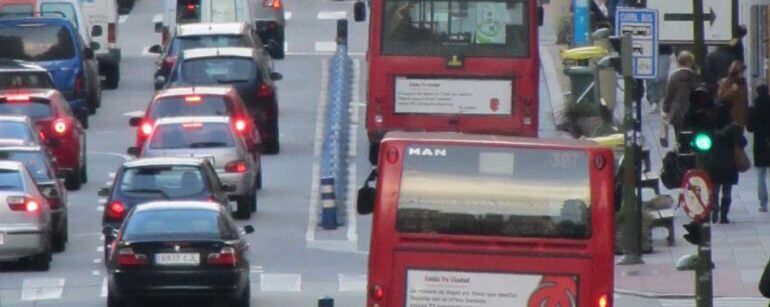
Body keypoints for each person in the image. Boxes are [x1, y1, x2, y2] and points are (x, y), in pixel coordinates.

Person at [702, 99, 747, 224]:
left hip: (713, 162)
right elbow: (743, 142)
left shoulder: (710, 127)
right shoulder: (733, 128)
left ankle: (714, 206)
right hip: (730, 163)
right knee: (727, 190)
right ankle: (724, 216)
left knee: (714, 188)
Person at [662, 51, 697, 138]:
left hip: (676, 112)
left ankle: (679, 145)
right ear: (689, 63)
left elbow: (669, 95)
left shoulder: (674, 76)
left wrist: (665, 110)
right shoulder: (694, 76)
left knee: (678, 134)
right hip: (691, 110)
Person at [747, 84, 770, 212]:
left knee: (761, 174)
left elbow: (749, 129)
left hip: (760, 144)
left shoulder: (753, 108)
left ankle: (763, 204)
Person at [717, 61, 749, 128]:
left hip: (741, 116)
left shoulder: (743, 83)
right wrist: (731, 90)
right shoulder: (726, 82)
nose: (741, 74)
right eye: (740, 72)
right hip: (730, 116)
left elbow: (745, 99)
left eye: (742, 72)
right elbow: (720, 97)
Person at [645, 45, 673, 114]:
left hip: (663, 51)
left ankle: (660, 99)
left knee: (661, 77)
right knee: (650, 77)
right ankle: (653, 101)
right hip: (648, 49)